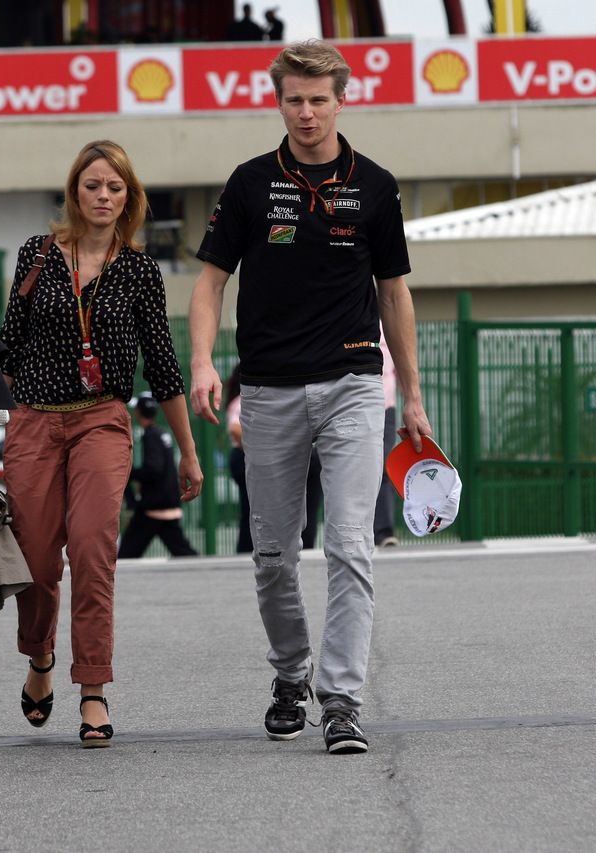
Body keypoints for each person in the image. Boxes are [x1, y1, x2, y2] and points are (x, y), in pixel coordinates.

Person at [189, 40, 432, 755]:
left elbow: (394, 292)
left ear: (342, 99)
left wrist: (410, 393)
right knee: (272, 552)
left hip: (356, 383)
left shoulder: (377, 185)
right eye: (293, 98)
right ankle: (290, 672)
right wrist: (203, 362)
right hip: (266, 389)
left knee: (351, 542)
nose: (306, 112)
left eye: (318, 99)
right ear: (279, 101)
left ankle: (342, 698)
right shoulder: (250, 183)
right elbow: (209, 282)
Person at [0, 140, 202, 748]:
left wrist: (189, 452)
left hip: (102, 421)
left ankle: (93, 690)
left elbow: (165, 367)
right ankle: (40, 661)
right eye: (93, 186)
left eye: (115, 188)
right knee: (38, 563)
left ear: (129, 198)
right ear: (75, 192)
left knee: (94, 550)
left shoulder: (140, 271)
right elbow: (6, 353)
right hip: (33, 423)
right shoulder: (36, 256)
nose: (103, 197)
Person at [118, 392, 198, 557]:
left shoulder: (150, 435)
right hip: (167, 500)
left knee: (127, 554)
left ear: (139, 412)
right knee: (182, 551)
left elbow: (154, 468)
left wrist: (130, 473)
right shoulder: (161, 433)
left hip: (153, 505)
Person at [374, 331, 399, 547]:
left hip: (385, 408)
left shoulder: (387, 328)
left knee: (382, 468)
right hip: (355, 408)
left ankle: (383, 533)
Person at [225, 365, 252, 553]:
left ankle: (246, 548)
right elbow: (235, 429)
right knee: (251, 508)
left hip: (241, 456)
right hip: (244, 456)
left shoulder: (237, 401)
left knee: (250, 508)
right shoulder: (242, 401)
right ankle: (246, 548)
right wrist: (255, 450)